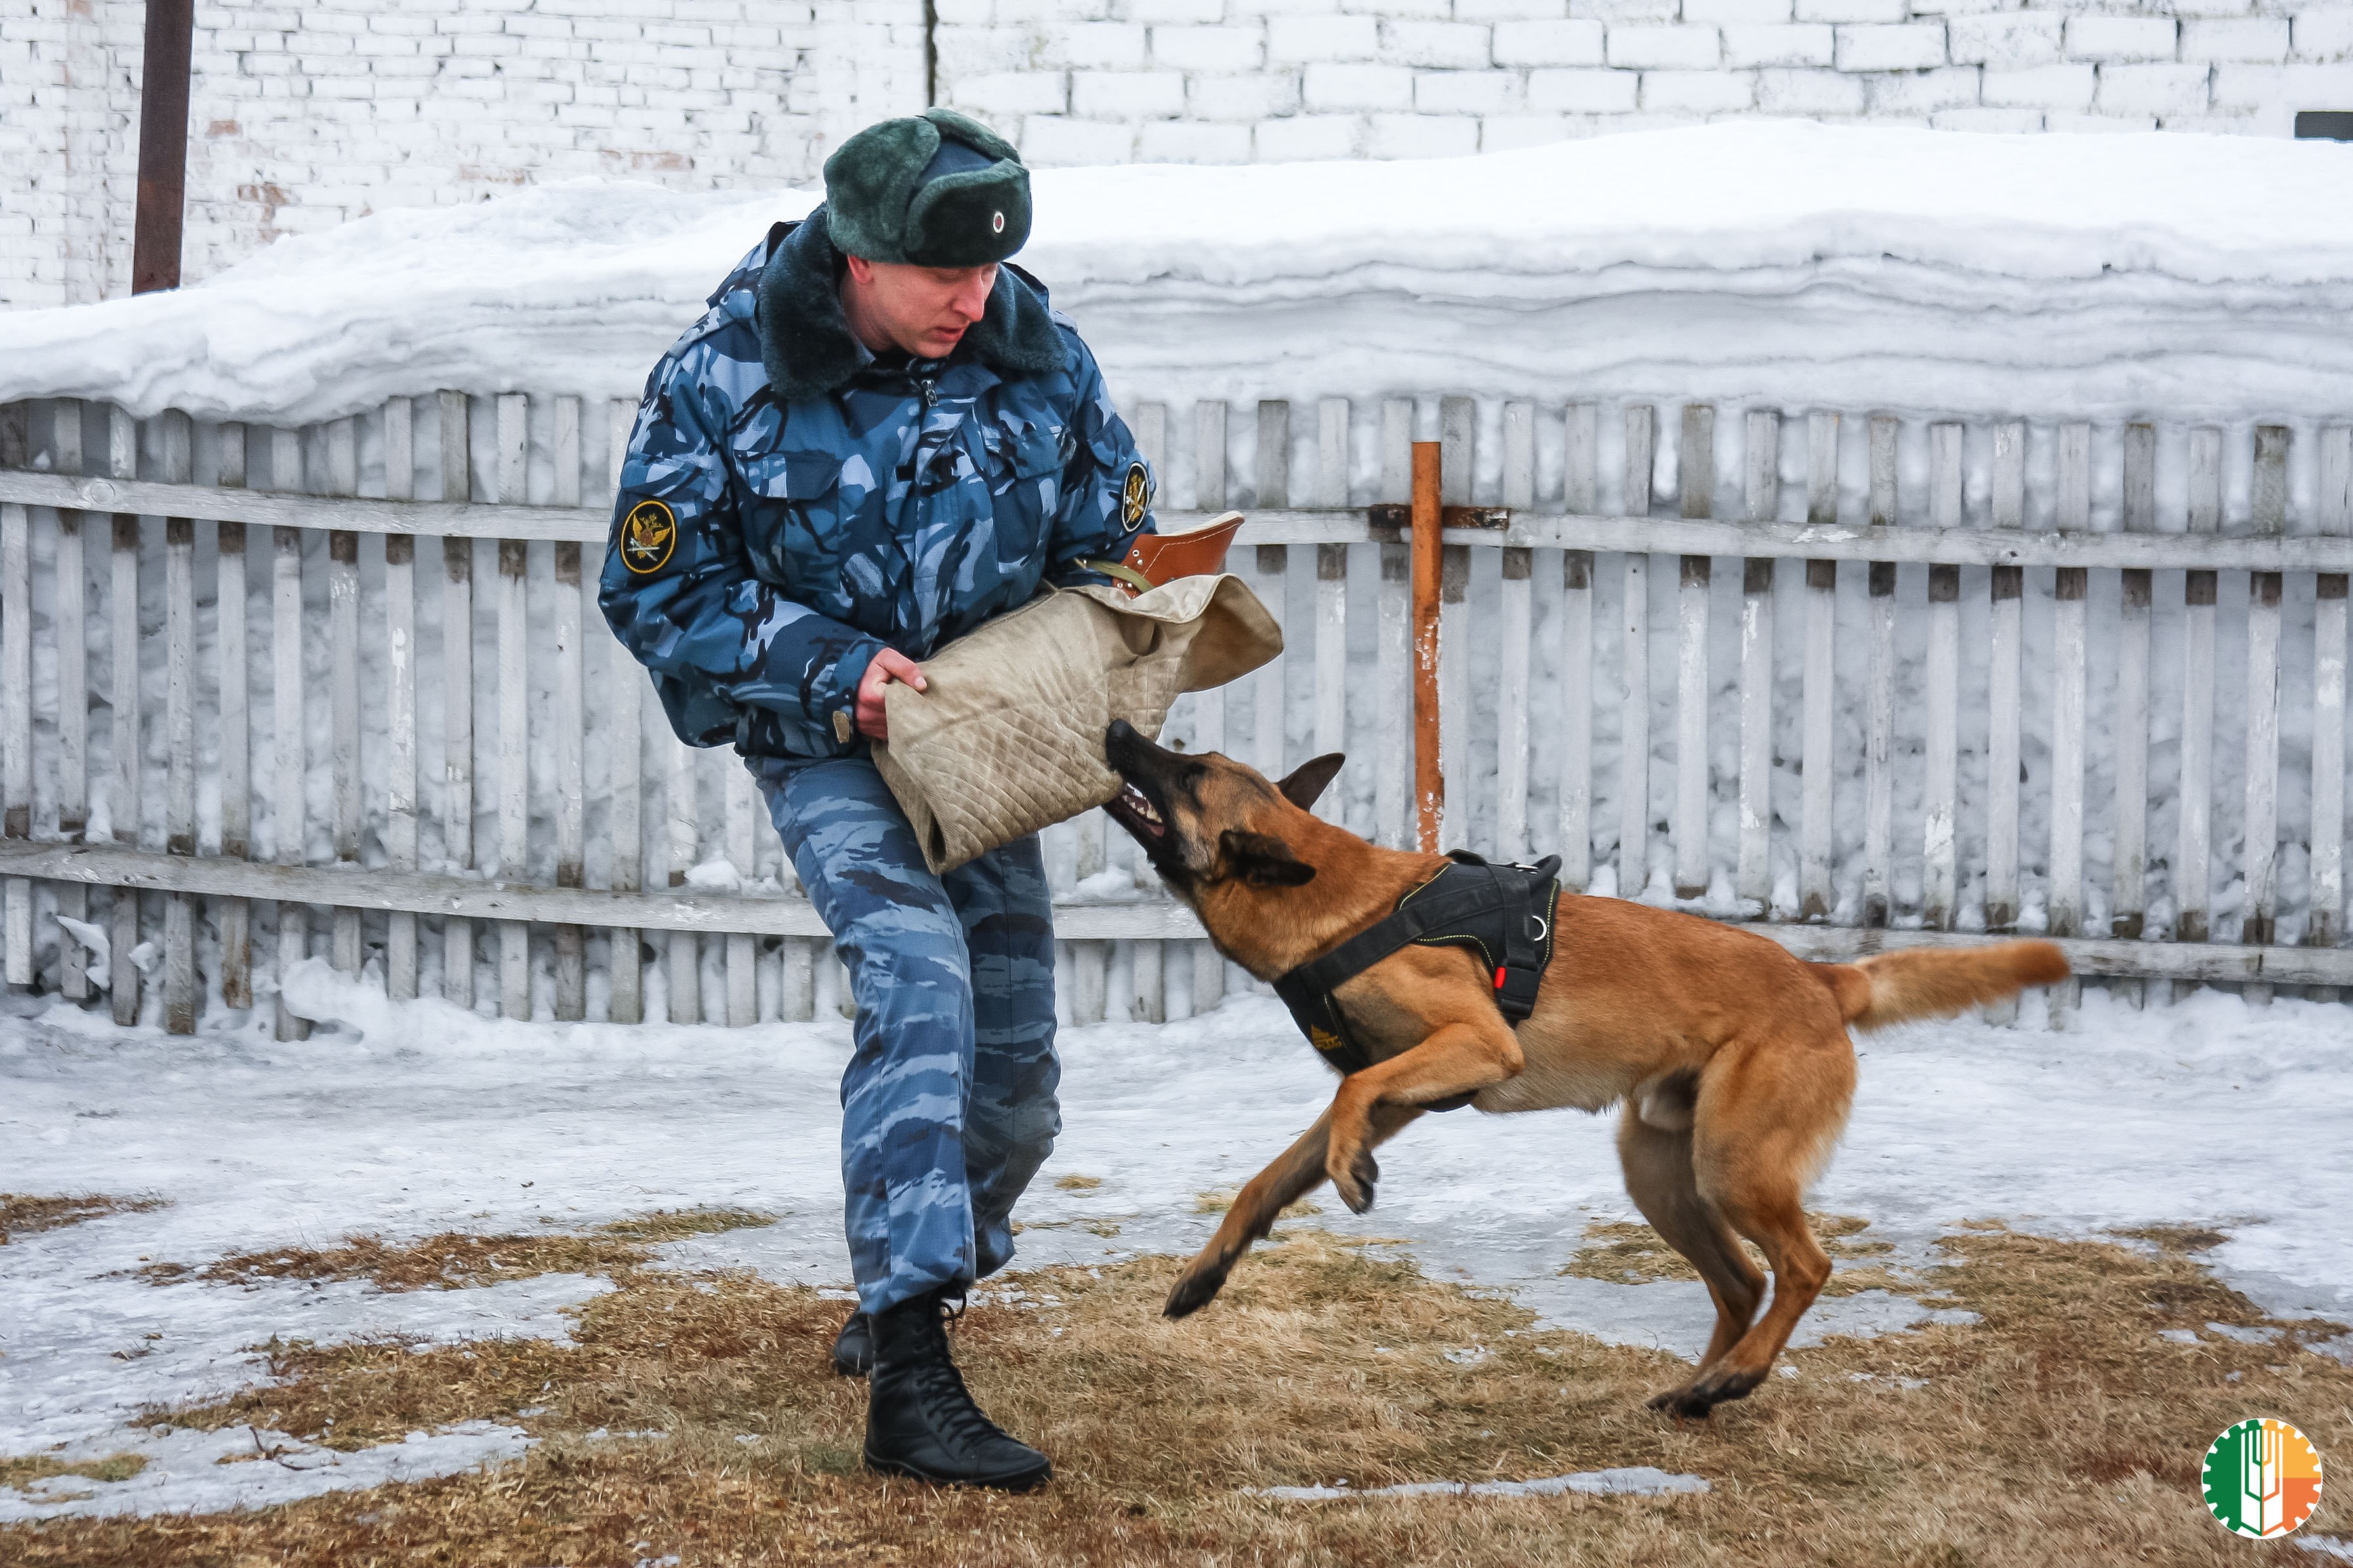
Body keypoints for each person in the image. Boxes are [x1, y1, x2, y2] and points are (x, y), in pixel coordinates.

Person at [598, 108, 1156, 1492]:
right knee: (919, 991)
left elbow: (1113, 538)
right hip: (830, 737)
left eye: (991, 269)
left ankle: (910, 1275)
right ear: (855, 252)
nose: (976, 299)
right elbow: (654, 587)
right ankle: (910, 1368)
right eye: (940, 276)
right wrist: (833, 669)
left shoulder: (1037, 353)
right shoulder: (726, 374)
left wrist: (1120, 616)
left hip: (989, 742)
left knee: (1015, 1092)